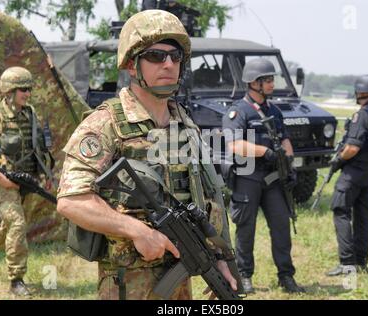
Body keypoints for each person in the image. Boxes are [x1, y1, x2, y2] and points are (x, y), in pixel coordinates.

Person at [56, 9, 238, 300]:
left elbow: (206, 198)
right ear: (131, 64)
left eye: (175, 56)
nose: (168, 64)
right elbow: (71, 201)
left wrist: (218, 257)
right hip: (130, 283)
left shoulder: (185, 123)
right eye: (155, 56)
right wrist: (136, 230)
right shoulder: (106, 123)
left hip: (184, 273)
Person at [222, 58, 305, 294]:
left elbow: (285, 138)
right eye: (267, 80)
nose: (272, 83)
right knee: (246, 229)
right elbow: (235, 145)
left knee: (281, 227)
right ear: (254, 83)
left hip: (273, 179)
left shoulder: (274, 110)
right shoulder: (238, 111)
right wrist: (265, 152)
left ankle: (286, 276)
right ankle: (244, 276)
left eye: (271, 79)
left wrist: (289, 164)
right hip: (248, 177)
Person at [0, 66, 53, 296]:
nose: (27, 93)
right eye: (23, 89)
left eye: (29, 89)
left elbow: (37, 147)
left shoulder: (29, 113)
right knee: (17, 225)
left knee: (10, 227)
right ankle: (16, 279)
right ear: (9, 90)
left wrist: (44, 175)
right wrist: (1, 178)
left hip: (28, 180)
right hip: (4, 181)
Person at [326, 74, 368, 276]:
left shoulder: (361, 115)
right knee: (363, 216)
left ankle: (347, 263)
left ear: (360, 92)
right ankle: (361, 261)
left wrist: (338, 160)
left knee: (341, 211)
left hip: (353, 173)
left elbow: (352, 147)